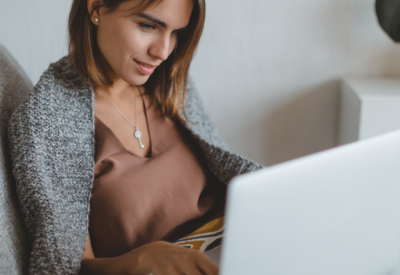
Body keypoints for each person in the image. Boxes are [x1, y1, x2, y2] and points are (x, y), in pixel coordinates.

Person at [7, 0, 264, 274]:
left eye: (176, 32)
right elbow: (62, 266)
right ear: (96, 8)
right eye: (148, 25)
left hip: (249, 242)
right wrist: (139, 260)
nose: (163, 51)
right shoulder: (48, 119)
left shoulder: (171, 82)